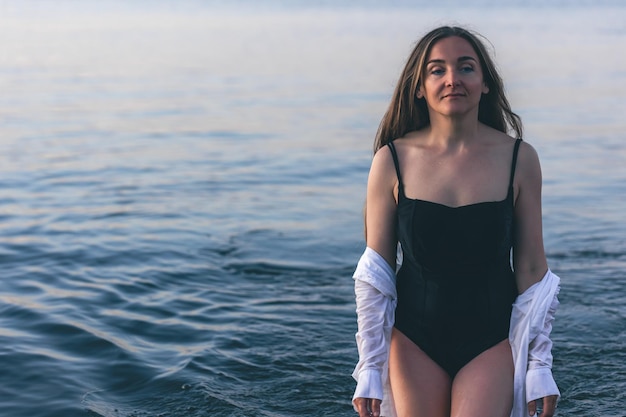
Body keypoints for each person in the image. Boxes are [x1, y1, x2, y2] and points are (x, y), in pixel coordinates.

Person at [351, 26, 561, 417]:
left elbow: (532, 268)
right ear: (419, 87)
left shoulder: (520, 159)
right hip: (414, 337)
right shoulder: (391, 160)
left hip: (493, 337)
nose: (452, 79)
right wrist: (370, 368)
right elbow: (376, 273)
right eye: (437, 70)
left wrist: (539, 365)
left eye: (466, 68)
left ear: (485, 84)